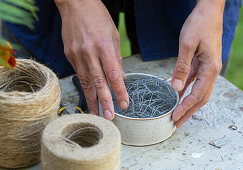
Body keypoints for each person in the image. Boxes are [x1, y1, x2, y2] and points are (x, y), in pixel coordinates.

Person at [2, 0, 241, 127]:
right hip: (49, 10)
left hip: (182, 5)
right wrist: (71, 3)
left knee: (188, 75)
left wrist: (212, 6)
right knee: (30, 106)